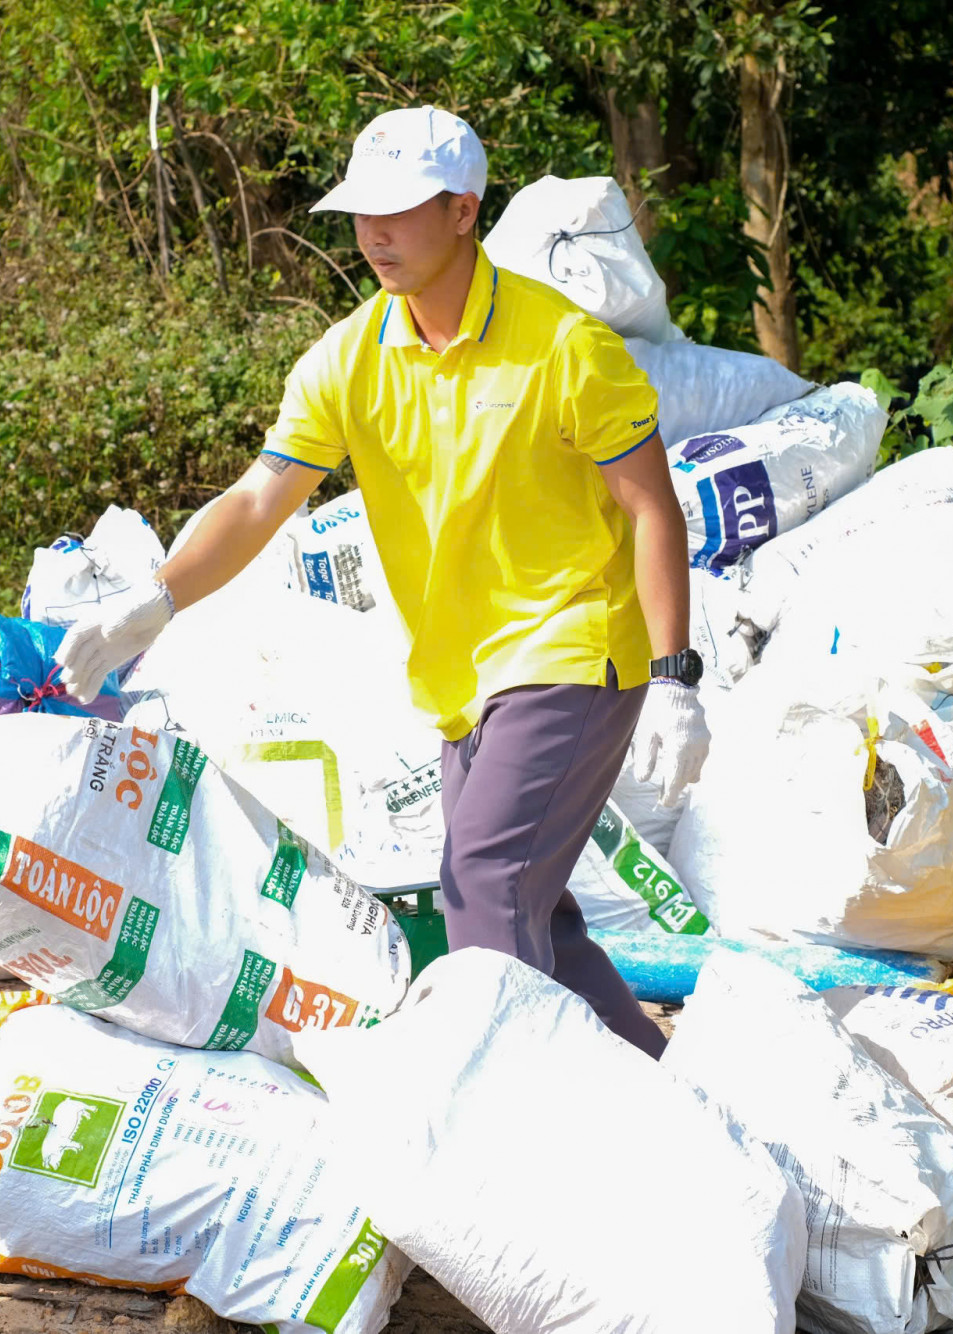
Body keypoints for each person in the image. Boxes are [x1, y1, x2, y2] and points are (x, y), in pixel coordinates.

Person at [57, 105, 707, 1058]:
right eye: (362, 211)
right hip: (460, 675)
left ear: (463, 212)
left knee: (483, 884)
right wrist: (150, 603)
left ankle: (506, 1127)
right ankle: (656, 1093)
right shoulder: (348, 359)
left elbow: (654, 507)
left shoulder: (566, 346)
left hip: (576, 643)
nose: (374, 232)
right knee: (535, 914)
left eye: (400, 210)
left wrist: (673, 678)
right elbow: (254, 503)